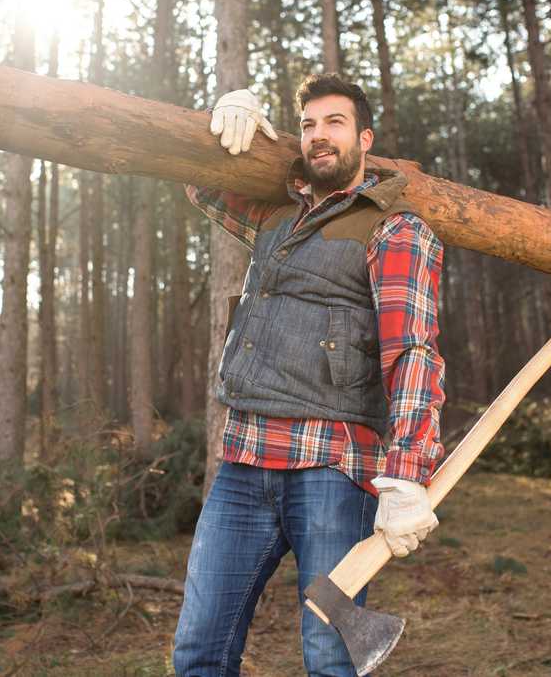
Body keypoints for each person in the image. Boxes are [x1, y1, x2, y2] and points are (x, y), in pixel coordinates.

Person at [172, 73, 446, 677]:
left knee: (328, 659)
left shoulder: (395, 228)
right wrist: (225, 126)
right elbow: (201, 184)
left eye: (334, 123)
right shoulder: (277, 217)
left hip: (331, 468)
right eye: (308, 125)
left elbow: (413, 352)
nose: (319, 135)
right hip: (244, 461)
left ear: (365, 139)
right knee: (198, 651)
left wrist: (407, 474)